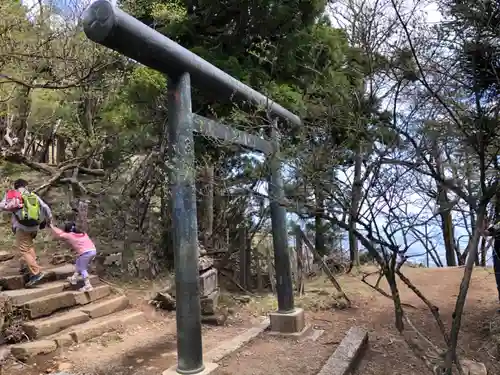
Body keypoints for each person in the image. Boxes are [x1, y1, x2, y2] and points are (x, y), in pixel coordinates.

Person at [0, 179, 52, 287]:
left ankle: (36, 273)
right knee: (29, 247)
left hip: (21, 226)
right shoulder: (33, 195)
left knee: (23, 249)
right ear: (26, 186)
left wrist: (10, 208)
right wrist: (49, 219)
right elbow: (45, 207)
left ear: (16, 186)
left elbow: (2, 206)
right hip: (34, 226)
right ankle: (31, 270)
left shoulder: (12, 194)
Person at [49, 222, 97, 292]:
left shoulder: (69, 235)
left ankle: (88, 285)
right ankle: (74, 278)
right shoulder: (83, 233)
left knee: (83, 268)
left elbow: (59, 233)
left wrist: (52, 226)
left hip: (85, 253)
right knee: (78, 262)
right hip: (93, 251)